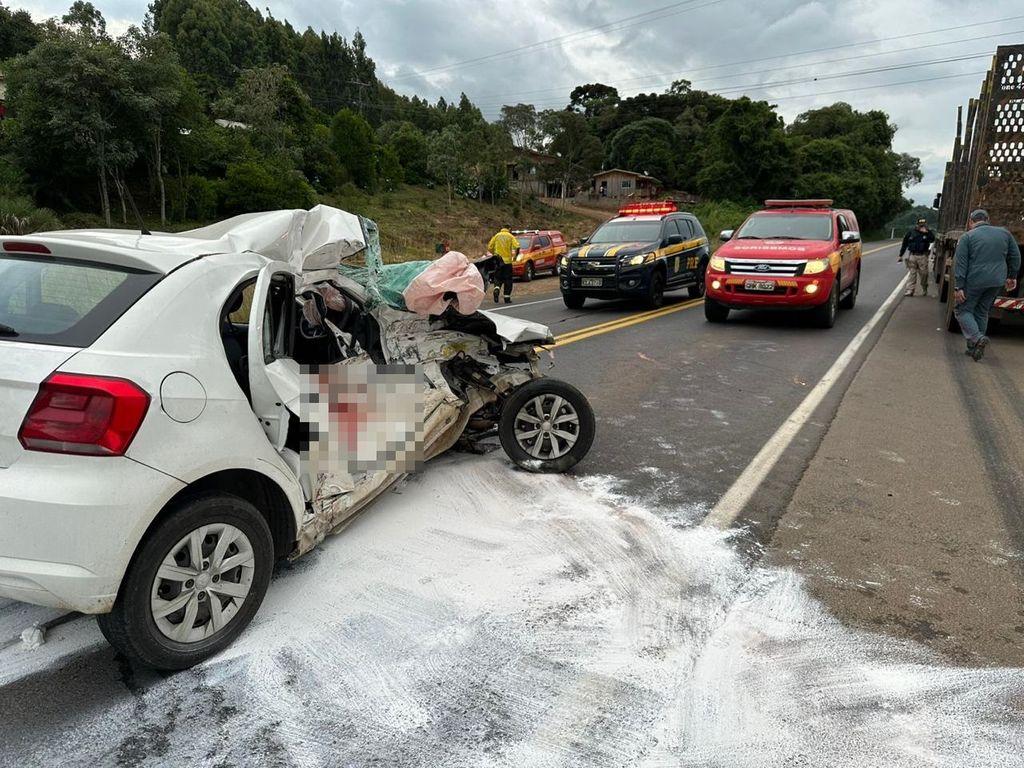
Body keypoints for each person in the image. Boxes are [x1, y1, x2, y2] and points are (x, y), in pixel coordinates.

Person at [953, 209, 1021, 361]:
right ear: (988, 219)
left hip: (975, 280)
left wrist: (959, 286)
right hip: (997, 280)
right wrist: (1012, 276)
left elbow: (961, 264)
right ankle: (973, 348)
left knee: (962, 310)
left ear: (971, 222)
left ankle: (977, 339)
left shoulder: (967, 237)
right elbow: (1015, 256)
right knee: (982, 311)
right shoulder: (1005, 233)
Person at [899, 218, 935, 297]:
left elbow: (932, 239)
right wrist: (901, 255)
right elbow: (904, 243)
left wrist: (927, 232)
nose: (922, 226)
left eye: (923, 224)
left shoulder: (927, 232)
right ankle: (910, 290)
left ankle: (924, 287)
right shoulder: (911, 232)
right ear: (917, 224)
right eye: (920, 224)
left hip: (923, 256)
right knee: (912, 273)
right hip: (912, 255)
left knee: (924, 274)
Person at [486, 224, 520, 304]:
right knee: (508, 280)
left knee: (497, 278)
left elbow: (490, 247)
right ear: (509, 228)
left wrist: (494, 254)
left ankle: (496, 289)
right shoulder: (510, 236)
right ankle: (506, 298)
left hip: (498, 261)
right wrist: (515, 257)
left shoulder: (497, 236)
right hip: (507, 262)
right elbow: (517, 247)